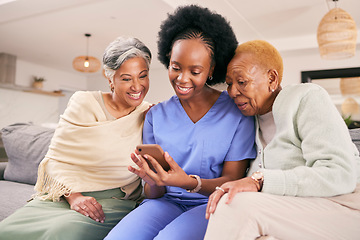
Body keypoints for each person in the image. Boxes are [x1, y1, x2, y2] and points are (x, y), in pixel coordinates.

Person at [105, 5, 257, 240]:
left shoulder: (236, 113)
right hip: (164, 203)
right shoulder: (156, 116)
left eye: (195, 71)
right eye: (176, 68)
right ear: (168, 60)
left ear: (211, 70)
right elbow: (154, 193)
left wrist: (188, 182)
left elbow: (232, 180)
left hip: (212, 203)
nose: (182, 79)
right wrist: (152, 180)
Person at [204, 40, 360, 240]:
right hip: (294, 215)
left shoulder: (306, 97)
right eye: (229, 84)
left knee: (235, 206)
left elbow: (340, 175)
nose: (233, 91)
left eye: (241, 82)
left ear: (272, 79)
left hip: (344, 206)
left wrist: (259, 181)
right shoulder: (247, 121)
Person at [0, 36, 153, 240]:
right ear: (110, 79)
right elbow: (55, 159)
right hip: (66, 194)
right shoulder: (84, 103)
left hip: (115, 199)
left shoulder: (150, 114)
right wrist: (74, 196)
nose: (137, 86)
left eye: (142, 76)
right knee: (8, 230)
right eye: (126, 78)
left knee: (62, 233)